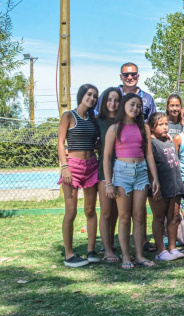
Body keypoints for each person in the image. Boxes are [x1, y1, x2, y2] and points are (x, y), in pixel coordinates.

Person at [103, 93, 161, 269]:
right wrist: (108, 183)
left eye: (138, 106)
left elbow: (149, 153)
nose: (135, 108)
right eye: (131, 104)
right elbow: (106, 156)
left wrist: (155, 178)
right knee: (124, 217)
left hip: (141, 173)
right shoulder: (114, 128)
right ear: (124, 105)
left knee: (139, 216)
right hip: (122, 173)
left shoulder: (144, 127)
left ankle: (139, 256)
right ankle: (126, 257)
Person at [57, 84, 101, 268]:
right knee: (71, 211)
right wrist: (64, 166)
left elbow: (96, 143)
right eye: (89, 94)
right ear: (82, 95)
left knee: (90, 210)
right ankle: (69, 255)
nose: (91, 98)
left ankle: (91, 251)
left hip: (91, 166)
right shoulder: (69, 116)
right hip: (72, 167)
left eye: (94, 96)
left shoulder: (94, 119)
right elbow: (60, 143)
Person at [147, 112, 184, 261]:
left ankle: (172, 247)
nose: (165, 127)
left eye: (166, 124)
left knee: (174, 217)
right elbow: (150, 167)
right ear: (151, 127)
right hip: (159, 188)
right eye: (160, 124)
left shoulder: (169, 140)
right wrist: (153, 185)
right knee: (159, 218)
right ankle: (161, 250)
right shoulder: (151, 144)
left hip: (174, 185)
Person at [96, 87, 122, 263]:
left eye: (116, 100)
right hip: (104, 172)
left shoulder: (125, 122)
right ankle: (107, 250)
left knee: (116, 212)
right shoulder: (98, 121)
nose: (112, 104)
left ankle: (112, 244)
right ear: (104, 102)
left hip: (122, 171)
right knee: (106, 212)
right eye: (109, 100)